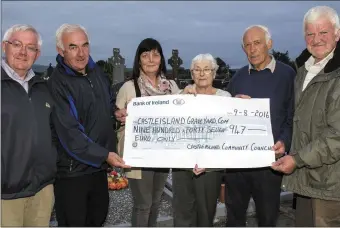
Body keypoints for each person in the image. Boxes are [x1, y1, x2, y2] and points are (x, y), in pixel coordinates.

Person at [47, 23, 129, 227]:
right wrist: (106, 155)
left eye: (85, 45)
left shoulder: (95, 72)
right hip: (73, 172)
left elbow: (106, 101)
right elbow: (70, 132)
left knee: (97, 218)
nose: (81, 53)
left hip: (98, 168)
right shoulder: (58, 83)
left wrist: (115, 113)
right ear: (61, 50)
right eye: (73, 47)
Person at [272, 6, 340, 227]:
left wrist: (297, 159)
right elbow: (296, 116)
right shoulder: (302, 71)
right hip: (305, 179)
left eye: (323, 32)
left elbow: (336, 136)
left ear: (337, 33)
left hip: (331, 184)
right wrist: (284, 142)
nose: (316, 39)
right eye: (310, 33)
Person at [225, 25, 295, 226]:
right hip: (238, 165)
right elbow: (225, 117)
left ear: (269, 44)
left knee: (267, 218)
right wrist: (232, 104)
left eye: (257, 43)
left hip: (269, 164)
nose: (252, 49)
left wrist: (284, 141)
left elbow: (292, 115)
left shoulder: (287, 75)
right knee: (234, 218)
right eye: (247, 45)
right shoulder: (237, 78)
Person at [115, 38, 179, 227]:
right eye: (145, 55)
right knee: (143, 205)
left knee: (156, 202)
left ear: (161, 58)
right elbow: (117, 120)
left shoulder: (172, 87)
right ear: (139, 60)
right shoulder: (128, 88)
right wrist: (119, 116)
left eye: (155, 54)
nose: (151, 59)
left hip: (163, 154)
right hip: (139, 157)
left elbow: (184, 113)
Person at [1, 24, 56, 226]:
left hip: (42, 190)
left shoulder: (43, 87)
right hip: (6, 195)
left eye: (30, 47)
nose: (23, 52)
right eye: (17, 44)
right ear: (4, 46)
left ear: (38, 53)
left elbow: (56, 130)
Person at [172, 53, 231, 227]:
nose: (202, 73)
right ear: (191, 74)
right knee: (182, 214)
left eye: (207, 69)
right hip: (182, 165)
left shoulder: (225, 97)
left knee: (205, 214)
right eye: (197, 70)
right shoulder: (181, 96)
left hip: (210, 168)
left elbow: (227, 134)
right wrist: (182, 97)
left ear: (214, 73)